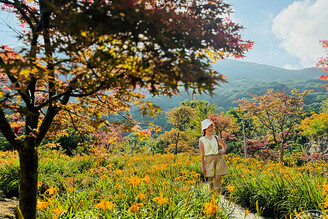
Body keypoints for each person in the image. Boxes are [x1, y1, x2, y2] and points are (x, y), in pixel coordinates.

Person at [199, 119, 228, 193]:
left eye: (211, 127)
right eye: (208, 127)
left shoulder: (216, 137)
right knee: (210, 181)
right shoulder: (202, 140)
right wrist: (203, 167)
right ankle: (212, 198)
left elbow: (224, 146)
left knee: (217, 180)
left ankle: (218, 197)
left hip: (218, 159)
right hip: (208, 160)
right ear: (204, 129)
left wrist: (222, 151)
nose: (210, 129)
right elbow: (202, 154)